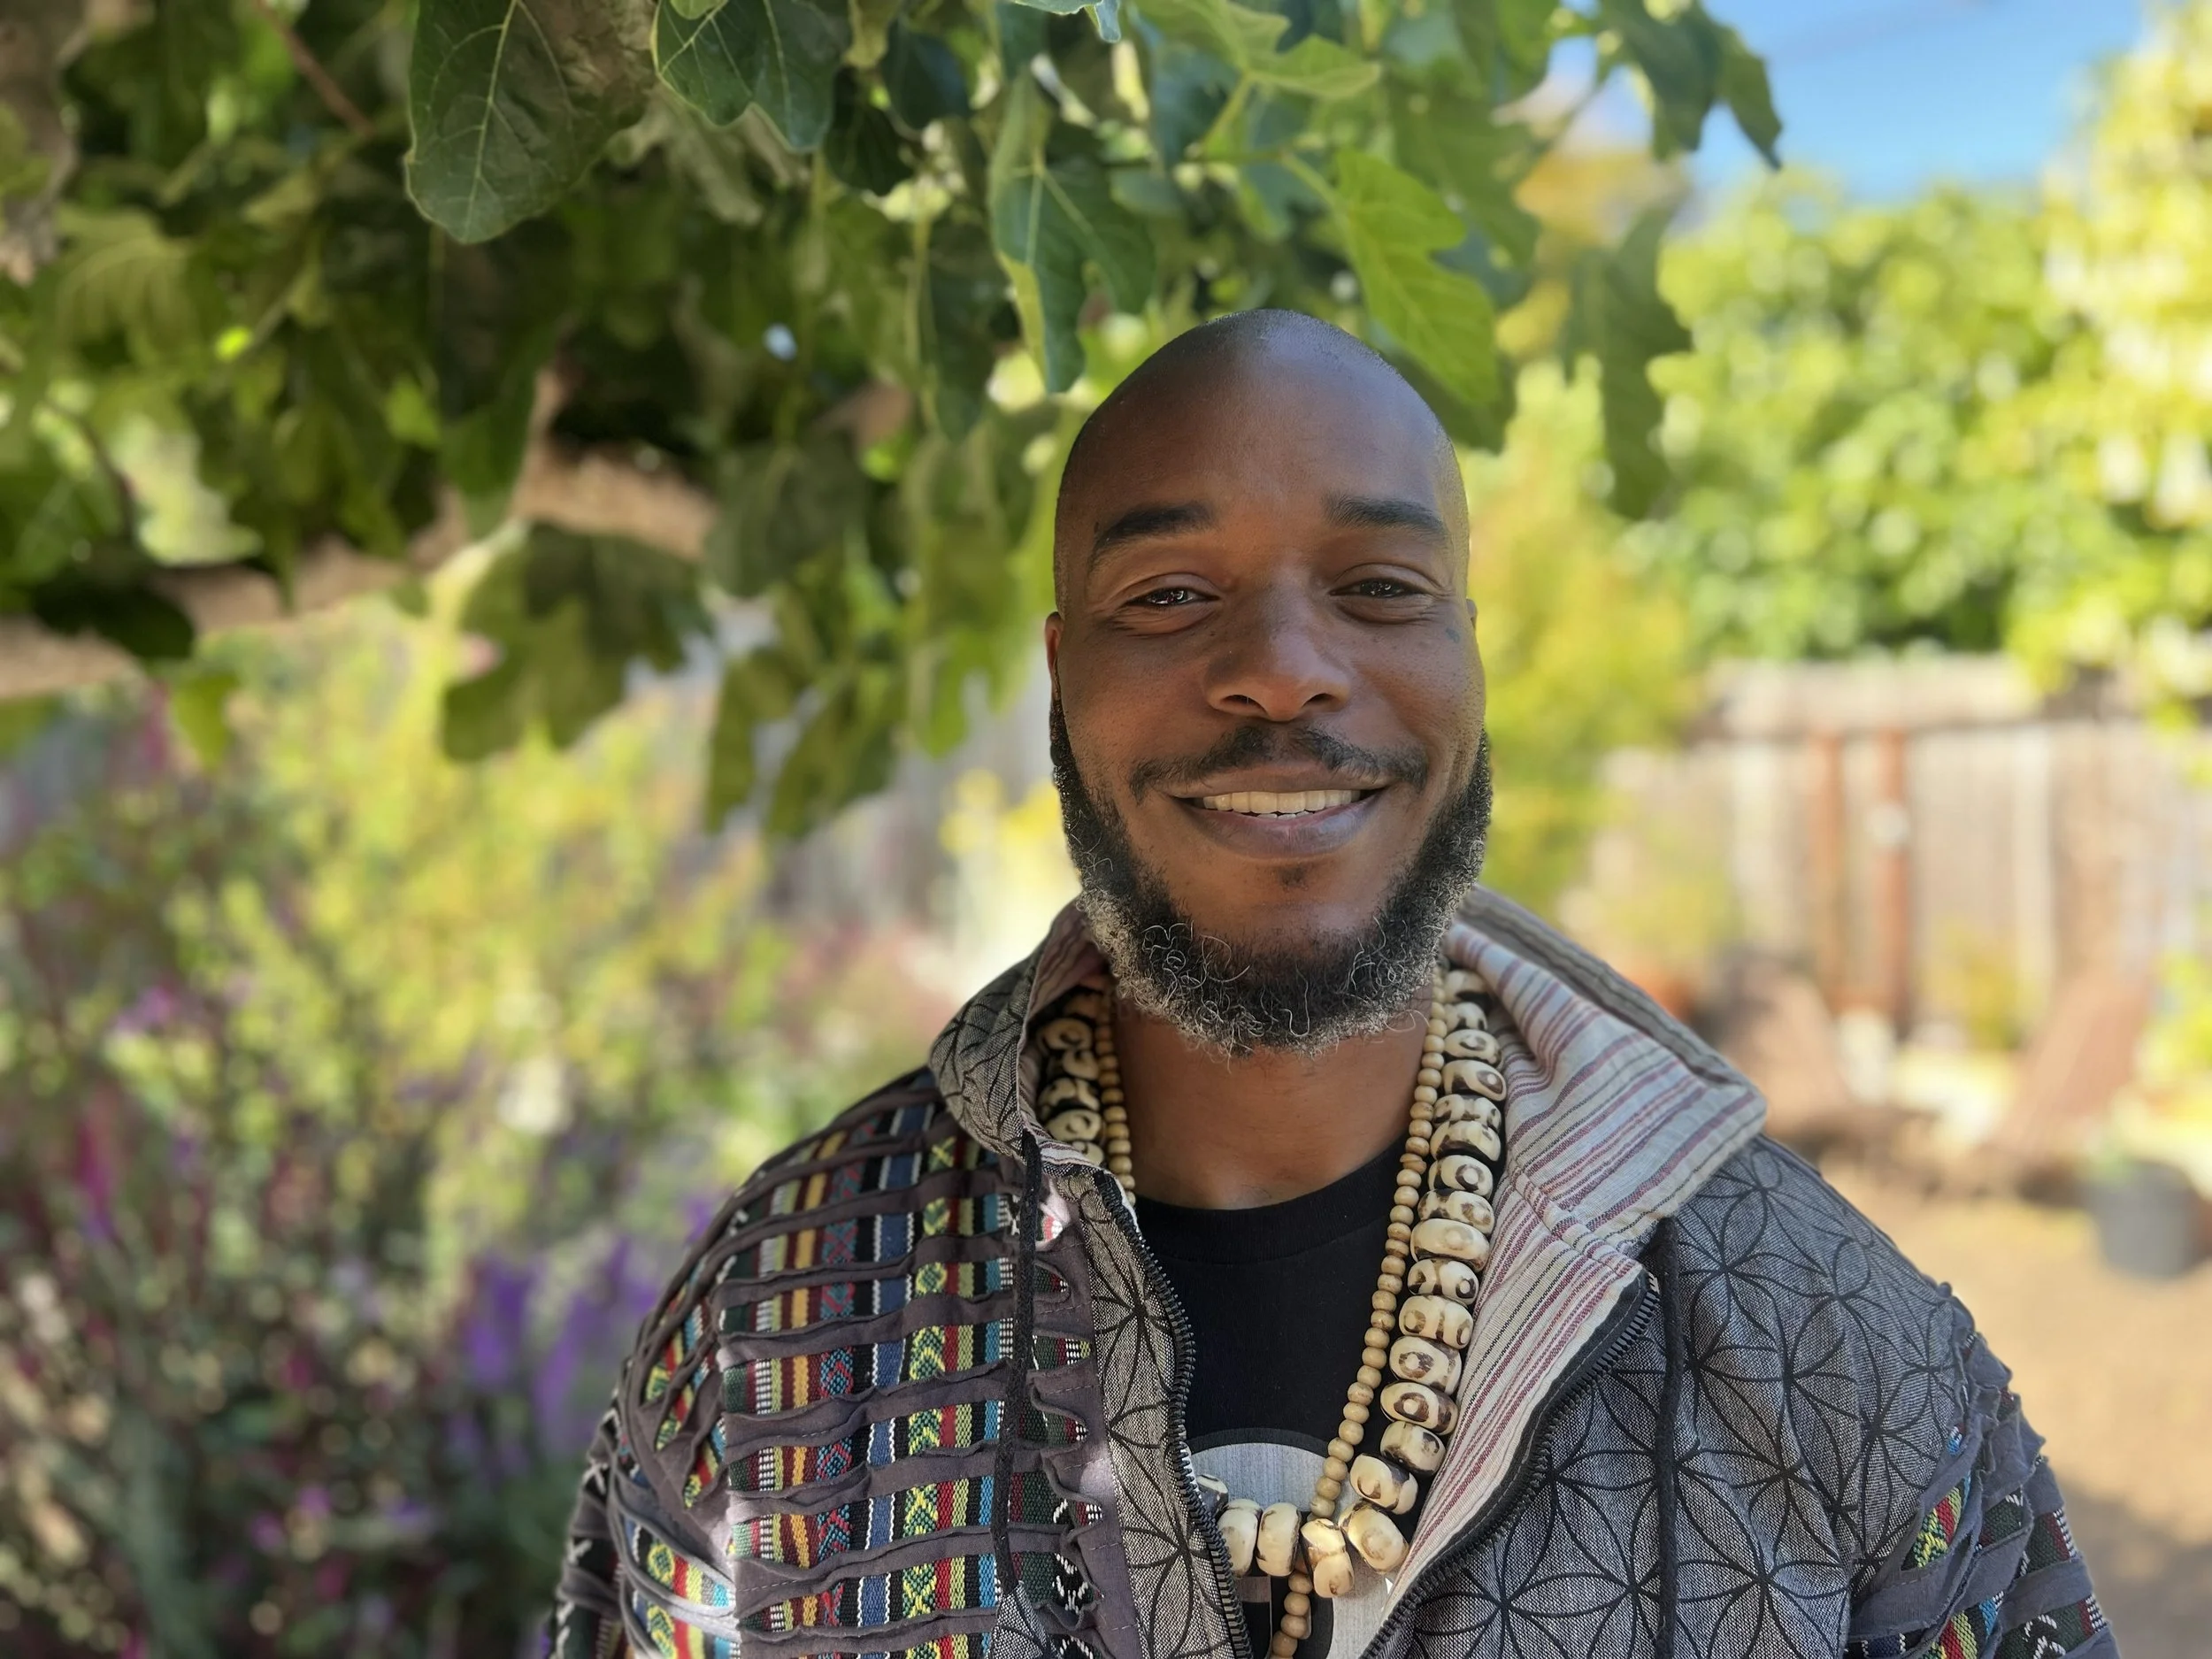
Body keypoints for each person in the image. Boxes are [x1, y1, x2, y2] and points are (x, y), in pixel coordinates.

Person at [549, 311, 2114, 1659]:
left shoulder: (1828, 1344)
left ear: (1471, 659)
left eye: (1379, 585)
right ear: (1058, 671)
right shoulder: (778, 1328)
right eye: (1168, 592)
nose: (1288, 665)